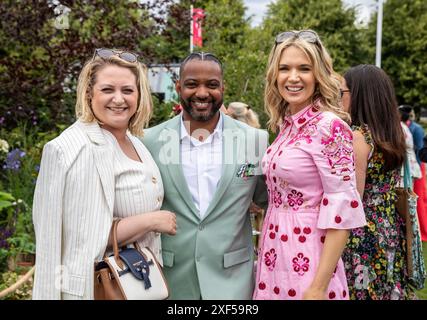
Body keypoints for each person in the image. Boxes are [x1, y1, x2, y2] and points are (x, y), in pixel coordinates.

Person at [32, 48, 176, 300]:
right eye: (108, 89)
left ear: (139, 95)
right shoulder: (71, 149)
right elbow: (70, 238)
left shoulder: (135, 141)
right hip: (95, 290)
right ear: (89, 93)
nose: (119, 99)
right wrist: (152, 221)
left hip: (138, 286)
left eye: (128, 90)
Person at [142, 52, 269, 299]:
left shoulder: (255, 140)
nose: (202, 93)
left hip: (233, 282)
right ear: (178, 87)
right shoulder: (149, 141)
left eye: (211, 85)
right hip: (170, 281)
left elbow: (269, 199)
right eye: (192, 84)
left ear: (223, 87)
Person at [253, 30, 366, 300]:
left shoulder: (329, 127)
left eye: (304, 68)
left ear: (318, 75)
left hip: (309, 258)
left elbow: (342, 213)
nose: (293, 77)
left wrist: (317, 288)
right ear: (274, 75)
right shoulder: (286, 125)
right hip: (275, 254)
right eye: (284, 68)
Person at [341, 64, 416, 300]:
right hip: (389, 227)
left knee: (362, 291)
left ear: (358, 94)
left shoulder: (358, 137)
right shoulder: (392, 133)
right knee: (386, 288)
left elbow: (353, 197)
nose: (339, 98)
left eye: (342, 92)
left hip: (362, 234)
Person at [399, 105, 427, 242]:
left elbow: (420, 149)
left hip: (411, 166)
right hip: (410, 166)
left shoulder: (413, 128)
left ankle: (414, 230)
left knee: (412, 199)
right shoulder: (405, 127)